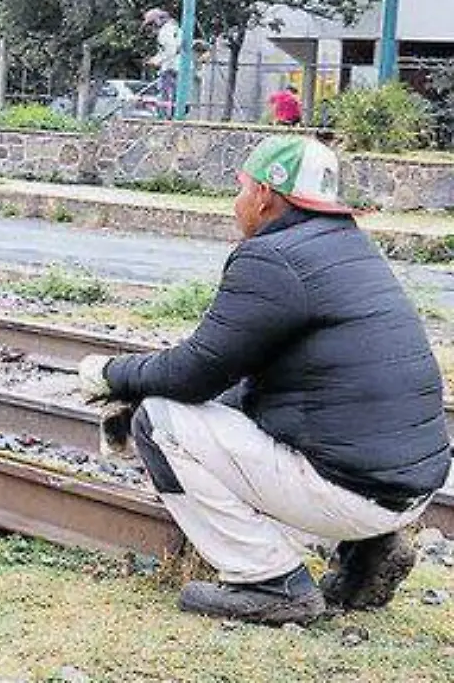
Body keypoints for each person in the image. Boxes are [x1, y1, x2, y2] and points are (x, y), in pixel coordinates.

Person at [77, 134, 450, 626]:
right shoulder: (348, 247)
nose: (236, 202)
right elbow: (241, 382)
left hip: (355, 489)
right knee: (236, 410)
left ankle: (268, 581)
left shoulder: (273, 258)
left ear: (265, 197)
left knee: (159, 421)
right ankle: (367, 549)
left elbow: (194, 373)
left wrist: (111, 374)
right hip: (411, 486)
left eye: (241, 188)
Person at [145, 8, 182, 105]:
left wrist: (156, 61)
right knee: (176, 98)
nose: (151, 27)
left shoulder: (165, 31)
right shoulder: (174, 28)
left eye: (151, 24)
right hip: (179, 67)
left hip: (171, 68)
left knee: (165, 100)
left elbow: (171, 50)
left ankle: (166, 117)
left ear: (157, 20)